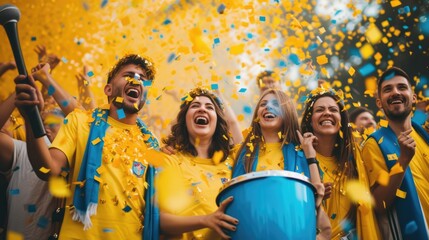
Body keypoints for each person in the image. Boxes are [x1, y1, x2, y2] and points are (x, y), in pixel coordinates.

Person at [15, 54, 160, 239]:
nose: (136, 80)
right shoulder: (81, 121)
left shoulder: (152, 143)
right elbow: (47, 170)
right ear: (108, 89)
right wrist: (30, 118)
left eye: (142, 79)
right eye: (128, 75)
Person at [232, 88, 330, 239]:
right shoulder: (243, 153)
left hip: (292, 231)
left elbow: (316, 196)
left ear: (287, 113)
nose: (268, 107)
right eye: (263, 104)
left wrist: (310, 154)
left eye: (275, 104)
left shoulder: (301, 152)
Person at [158, 87, 238, 239]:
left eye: (209, 107)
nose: (202, 109)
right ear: (184, 119)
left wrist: (220, 95)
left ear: (218, 120)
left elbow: (233, 124)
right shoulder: (170, 160)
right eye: (195, 106)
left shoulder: (233, 160)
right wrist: (206, 220)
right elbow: (161, 221)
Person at [301, 87, 380, 240]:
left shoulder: (356, 157)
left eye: (333, 109)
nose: (327, 113)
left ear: (342, 120)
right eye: (319, 110)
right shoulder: (298, 157)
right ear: (310, 120)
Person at [362, 67, 429, 239]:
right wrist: (402, 161)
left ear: (413, 97)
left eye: (402, 87)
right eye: (387, 89)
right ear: (379, 102)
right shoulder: (374, 144)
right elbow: (379, 203)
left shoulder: (424, 134)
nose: (395, 92)